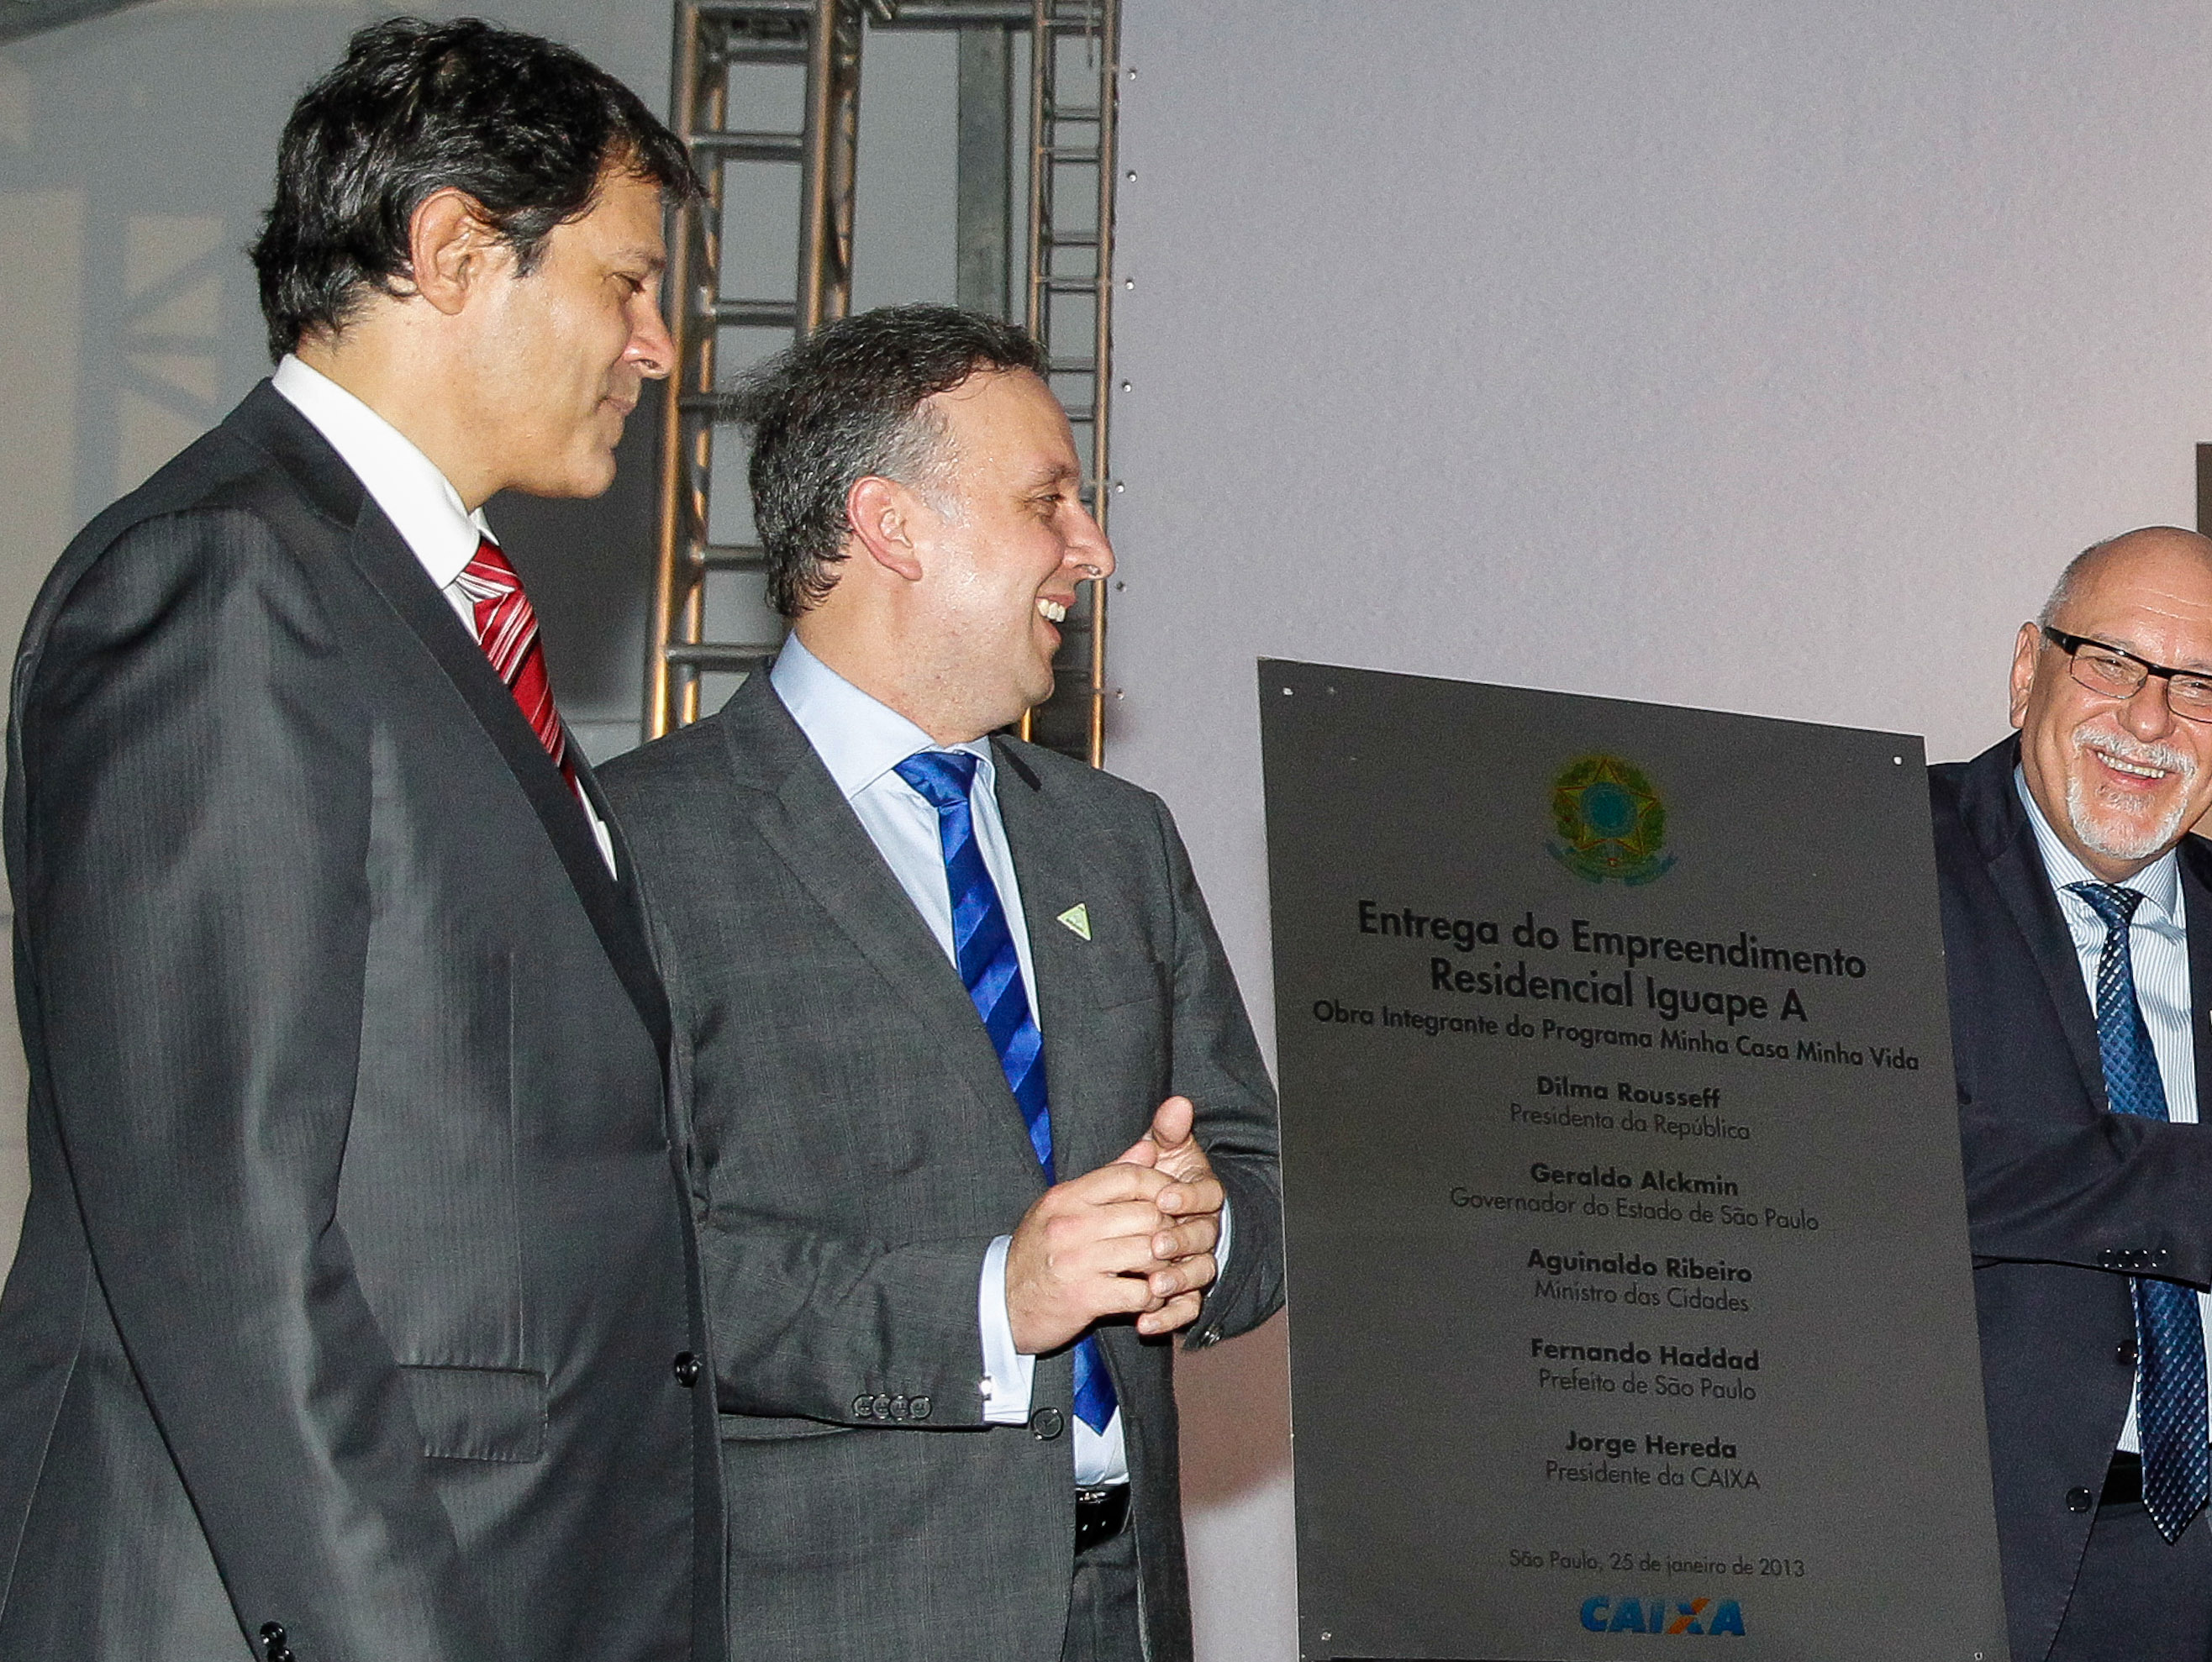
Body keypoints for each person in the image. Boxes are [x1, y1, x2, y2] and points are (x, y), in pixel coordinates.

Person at [0, 19, 718, 1662]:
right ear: (455, 249)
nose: (659, 345)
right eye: (624, 283)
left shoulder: (419, 608)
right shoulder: (228, 583)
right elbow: (226, 1237)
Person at [597, 303, 1283, 1662]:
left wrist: (1209, 1238)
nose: (1089, 551)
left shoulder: (1116, 838)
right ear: (891, 525)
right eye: (1049, 501)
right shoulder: (636, 846)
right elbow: (617, 1270)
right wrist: (988, 1302)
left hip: (1121, 1610)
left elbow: (1252, 1166)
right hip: (837, 1619)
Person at [1931, 527, 2212, 1662]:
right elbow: (1891, 1170)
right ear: (2028, 667)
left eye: (2200, 686)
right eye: (2107, 662)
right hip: (1963, 1570)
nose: (2149, 719)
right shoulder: (1880, 863)